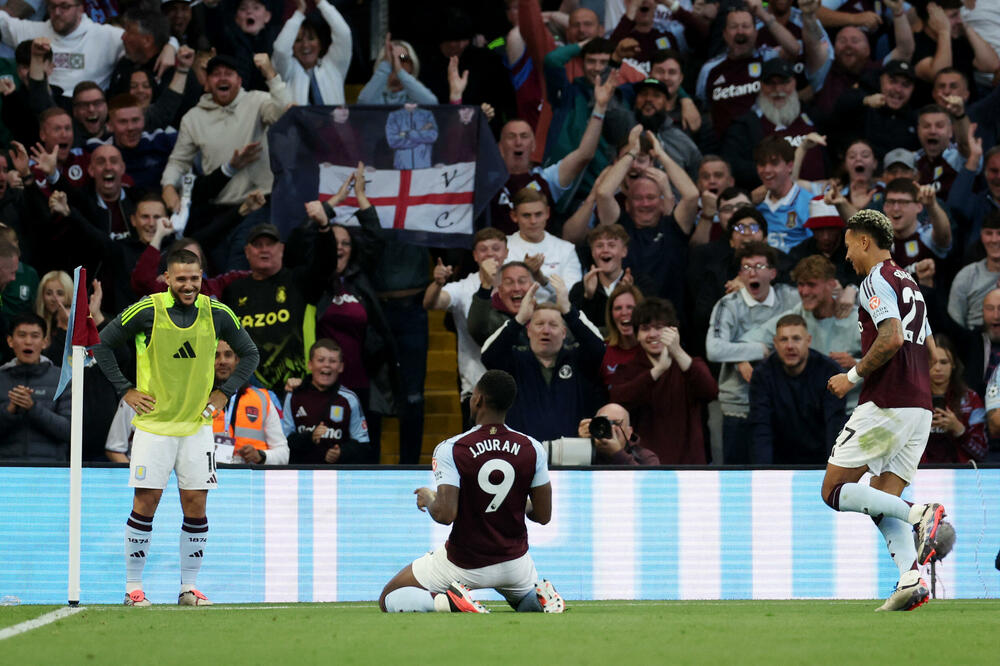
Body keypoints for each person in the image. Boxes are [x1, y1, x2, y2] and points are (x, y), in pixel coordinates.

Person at [92, 247, 260, 607]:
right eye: (181, 278)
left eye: (194, 279)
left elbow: (251, 354)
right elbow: (101, 345)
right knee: (146, 502)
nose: (188, 285)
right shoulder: (146, 309)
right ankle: (133, 589)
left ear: (202, 278)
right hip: (154, 426)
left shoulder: (217, 312)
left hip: (197, 426)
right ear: (166, 278)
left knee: (196, 504)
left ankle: (188, 589)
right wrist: (126, 390)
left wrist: (224, 393)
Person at [824, 208, 951, 612]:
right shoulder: (910, 282)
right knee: (880, 497)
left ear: (864, 240)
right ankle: (911, 578)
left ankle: (921, 513)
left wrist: (853, 376)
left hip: (887, 404)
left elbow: (892, 337)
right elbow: (931, 351)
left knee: (833, 490)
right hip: (918, 409)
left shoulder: (875, 279)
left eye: (848, 246)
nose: (847, 256)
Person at [378, 369, 565, 614]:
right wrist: (516, 501)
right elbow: (543, 515)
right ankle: (539, 599)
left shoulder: (452, 449)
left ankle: (449, 603)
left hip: (464, 563)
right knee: (523, 596)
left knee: (389, 597)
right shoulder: (532, 448)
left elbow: (445, 515)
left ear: (478, 399)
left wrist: (429, 497)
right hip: (515, 564)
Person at [160, 53, 291, 213]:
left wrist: (271, 74)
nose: (222, 79)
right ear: (207, 84)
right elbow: (178, 162)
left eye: (229, 74)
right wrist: (168, 186)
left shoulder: (257, 101)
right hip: (221, 209)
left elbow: (284, 117)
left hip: (262, 203)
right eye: (216, 74)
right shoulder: (192, 118)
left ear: (239, 81)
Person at [706, 240, 800, 463]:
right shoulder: (728, 305)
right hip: (738, 405)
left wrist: (849, 289)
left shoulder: (791, 298)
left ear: (773, 273)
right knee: (735, 479)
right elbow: (714, 349)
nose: (752, 273)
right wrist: (756, 350)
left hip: (784, 404)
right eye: (746, 268)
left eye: (759, 267)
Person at [481, 277, 606, 442]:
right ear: (528, 331)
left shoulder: (578, 360)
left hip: (573, 455)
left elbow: (599, 347)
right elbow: (487, 355)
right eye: (539, 324)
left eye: (553, 325)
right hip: (524, 454)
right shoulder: (515, 361)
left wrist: (569, 311)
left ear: (563, 333)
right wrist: (519, 319)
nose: (546, 331)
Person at [608, 297, 716, 464]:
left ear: (673, 331)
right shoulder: (627, 370)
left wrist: (677, 352)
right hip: (645, 464)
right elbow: (618, 399)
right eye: (645, 329)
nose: (652, 334)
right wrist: (657, 371)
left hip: (689, 465)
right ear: (637, 335)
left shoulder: (689, 365)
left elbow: (710, 391)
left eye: (659, 328)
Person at [424, 228, 509, 425]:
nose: (490, 254)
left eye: (496, 248)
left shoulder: (518, 283)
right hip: (477, 386)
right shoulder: (462, 288)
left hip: (518, 386)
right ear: (475, 256)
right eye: (483, 249)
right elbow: (432, 303)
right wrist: (437, 283)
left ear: (506, 253)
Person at [749, 313, 847, 463]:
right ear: (775, 343)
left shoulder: (830, 372)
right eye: (783, 340)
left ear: (808, 341)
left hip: (820, 459)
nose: (790, 346)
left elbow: (834, 426)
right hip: (778, 461)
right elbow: (761, 428)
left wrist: (832, 471)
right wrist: (764, 472)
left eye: (796, 339)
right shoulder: (762, 375)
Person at [282, 338, 373, 465]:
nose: (327, 365)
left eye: (333, 361)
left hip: (338, 477)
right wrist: (309, 437)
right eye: (321, 360)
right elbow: (282, 443)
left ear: (341, 367)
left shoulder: (349, 399)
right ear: (310, 365)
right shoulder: (294, 395)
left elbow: (363, 446)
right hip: (301, 476)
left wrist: (342, 452)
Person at [0, 312, 71, 461]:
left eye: (35, 336)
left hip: (50, 469)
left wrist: (33, 408)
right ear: (10, 341)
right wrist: (9, 410)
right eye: (22, 335)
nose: (28, 341)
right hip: (6, 469)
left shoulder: (62, 379)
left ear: (45, 342)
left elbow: (70, 431)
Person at [505, 186, 582, 302]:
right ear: (514, 216)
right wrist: (525, 272)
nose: (533, 221)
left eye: (538, 214)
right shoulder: (502, 247)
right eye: (526, 215)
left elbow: (573, 295)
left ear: (547, 213)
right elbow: (497, 292)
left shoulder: (566, 249)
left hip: (555, 316)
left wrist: (542, 280)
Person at [271, 0, 351, 106]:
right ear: (292, 47)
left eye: (311, 38)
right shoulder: (286, 71)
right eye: (298, 40)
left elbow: (344, 34)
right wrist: (299, 12)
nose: (305, 45)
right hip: (297, 123)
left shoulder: (334, 66)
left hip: (333, 123)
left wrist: (321, 3)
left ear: (320, 43)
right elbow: (281, 49)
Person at [923, 333, 987, 464]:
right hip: (918, 473)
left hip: (961, 473)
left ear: (953, 364)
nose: (938, 368)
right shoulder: (911, 399)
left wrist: (959, 429)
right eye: (932, 362)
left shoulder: (971, 399)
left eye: (944, 362)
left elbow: (982, 452)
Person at [577, 402, 659, 465]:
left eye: (616, 423)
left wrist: (618, 455)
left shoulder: (645, 457)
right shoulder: (585, 452)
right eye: (603, 423)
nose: (610, 428)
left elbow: (649, 484)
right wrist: (582, 444)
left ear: (629, 432)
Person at [600, 282, 644, 388]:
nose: (624, 312)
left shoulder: (652, 348)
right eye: (618, 308)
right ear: (611, 315)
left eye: (630, 307)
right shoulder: (602, 350)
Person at [34, 269, 71, 365]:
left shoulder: (80, 323)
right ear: (42, 296)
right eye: (49, 293)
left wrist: (65, 327)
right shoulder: (34, 322)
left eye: (60, 293)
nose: (54, 299)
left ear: (69, 295)